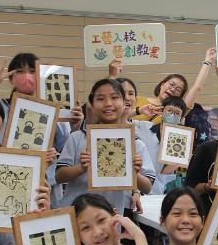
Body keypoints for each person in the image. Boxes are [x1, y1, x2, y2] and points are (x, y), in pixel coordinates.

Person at [56, 78, 155, 213]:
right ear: (91, 104)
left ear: (124, 103)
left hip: (110, 217)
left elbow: (147, 187)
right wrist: (81, 168)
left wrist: (133, 172)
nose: (108, 104)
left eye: (114, 97)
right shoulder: (77, 137)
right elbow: (59, 176)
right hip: (74, 214)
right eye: (100, 99)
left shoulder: (134, 143)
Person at [132, 47, 217, 124]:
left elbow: (197, 87)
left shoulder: (177, 111)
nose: (173, 89)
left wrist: (208, 60)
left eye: (178, 90)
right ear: (162, 84)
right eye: (171, 84)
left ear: (179, 96)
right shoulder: (137, 99)